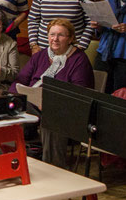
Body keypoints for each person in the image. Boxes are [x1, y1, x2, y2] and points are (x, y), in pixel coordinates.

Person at [11, 19, 94, 169]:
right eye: (52, 34)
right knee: (12, 109)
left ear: (70, 38)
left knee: (52, 118)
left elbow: (79, 94)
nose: (55, 39)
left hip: (64, 108)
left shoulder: (79, 60)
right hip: (34, 102)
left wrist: (50, 104)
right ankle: (13, 161)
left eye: (61, 35)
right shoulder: (40, 56)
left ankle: (53, 168)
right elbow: (21, 80)